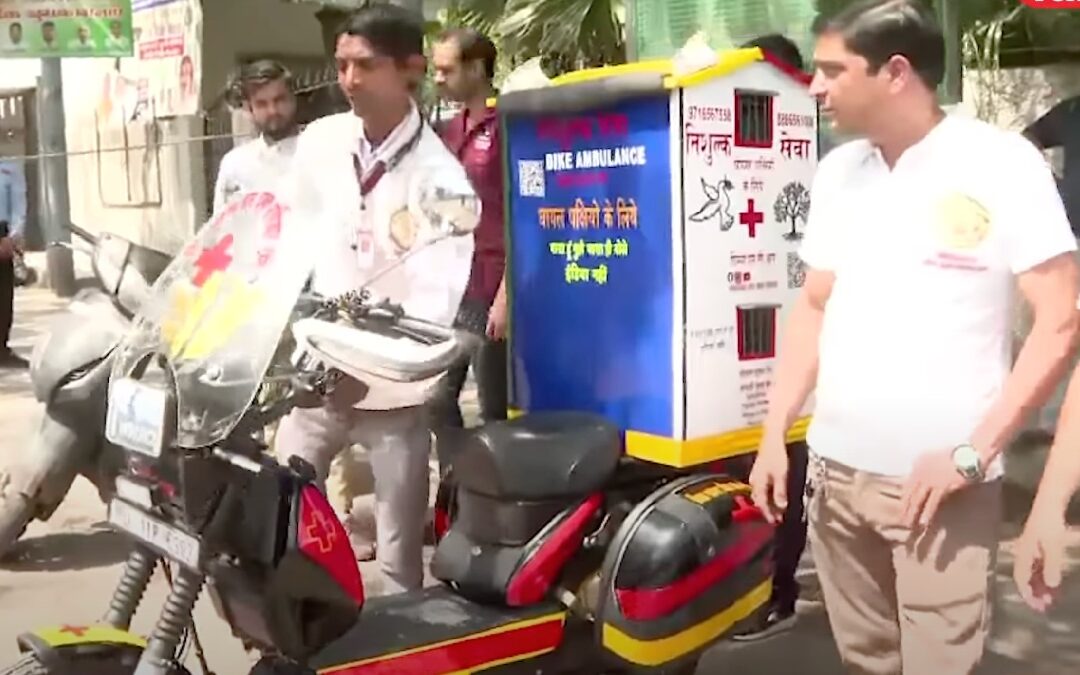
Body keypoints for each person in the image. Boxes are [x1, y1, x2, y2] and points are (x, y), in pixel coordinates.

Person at [748, 2, 1079, 673]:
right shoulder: (840, 172)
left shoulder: (1000, 164)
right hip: (835, 481)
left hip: (940, 488)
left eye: (832, 70)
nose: (814, 86)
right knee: (866, 661)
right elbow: (813, 305)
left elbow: (1061, 319)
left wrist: (972, 452)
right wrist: (774, 430)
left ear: (896, 72)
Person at [273, 4, 475, 595]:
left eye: (364, 66)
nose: (348, 81)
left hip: (392, 392)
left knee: (398, 562)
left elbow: (435, 302)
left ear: (409, 70)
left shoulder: (442, 181)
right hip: (320, 374)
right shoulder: (321, 141)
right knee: (278, 510)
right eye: (341, 65)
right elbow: (286, 227)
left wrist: (374, 365)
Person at [730, 31, 810, 642]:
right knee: (750, 475)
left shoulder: (815, 143)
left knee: (786, 471)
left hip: (800, 343)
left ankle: (778, 591)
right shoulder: (727, 150)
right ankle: (745, 591)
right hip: (741, 350)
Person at [429, 27, 508, 456]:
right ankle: (458, 488)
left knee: (495, 409)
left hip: (492, 285)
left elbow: (523, 210)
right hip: (452, 287)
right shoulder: (447, 130)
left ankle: (499, 505)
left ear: (477, 69)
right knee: (436, 398)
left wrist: (506, 295)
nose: (437, 78)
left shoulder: (508, 125)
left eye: (447, 69)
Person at [213, 60, 299, 215]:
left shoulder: (317, 150)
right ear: (248, 108)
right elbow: (222, 228)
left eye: (279, 100)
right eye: (262, 104)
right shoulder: (235, 165)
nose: (272, 111)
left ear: (293, 99)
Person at [0, 157, 28, 369]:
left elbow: (19, 206)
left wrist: (13, 236)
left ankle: (2, 350)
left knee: (3, 295)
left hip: (3, 235)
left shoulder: (9, 169)